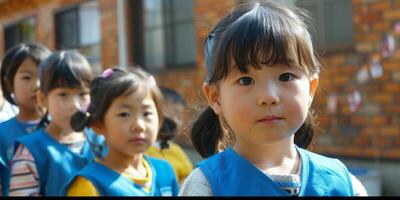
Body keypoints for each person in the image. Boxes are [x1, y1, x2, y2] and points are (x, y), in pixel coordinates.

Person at [179, 0, 367, 196]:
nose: (268, 96)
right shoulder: (205, 185)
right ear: (216, 98)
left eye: (285, 77)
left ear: (311, 89)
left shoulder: (342, 183)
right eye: (246, 80)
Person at [64, 67, 179, 196]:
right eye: (124, 114)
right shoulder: (89, 184)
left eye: (147, 113)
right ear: (98, 124)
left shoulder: (165, 171)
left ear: (160, 120)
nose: (139, 126)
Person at [8, 51, 95, 196]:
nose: (75, 105)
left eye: (82, 94)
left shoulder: (101, 141)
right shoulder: (31, 151)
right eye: (63, 94)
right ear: (42, 99)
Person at [0, 43, 50, 196]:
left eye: (43, 77)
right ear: (9, 84)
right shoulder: (2, 133)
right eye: (26, 77)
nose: (37, 85)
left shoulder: (64, 130)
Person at [145, 87, 193, 185]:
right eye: (173, 114)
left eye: (179, 117)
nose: (176, 121)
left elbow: (188, 180)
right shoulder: (139, 148)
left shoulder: (176, 152)